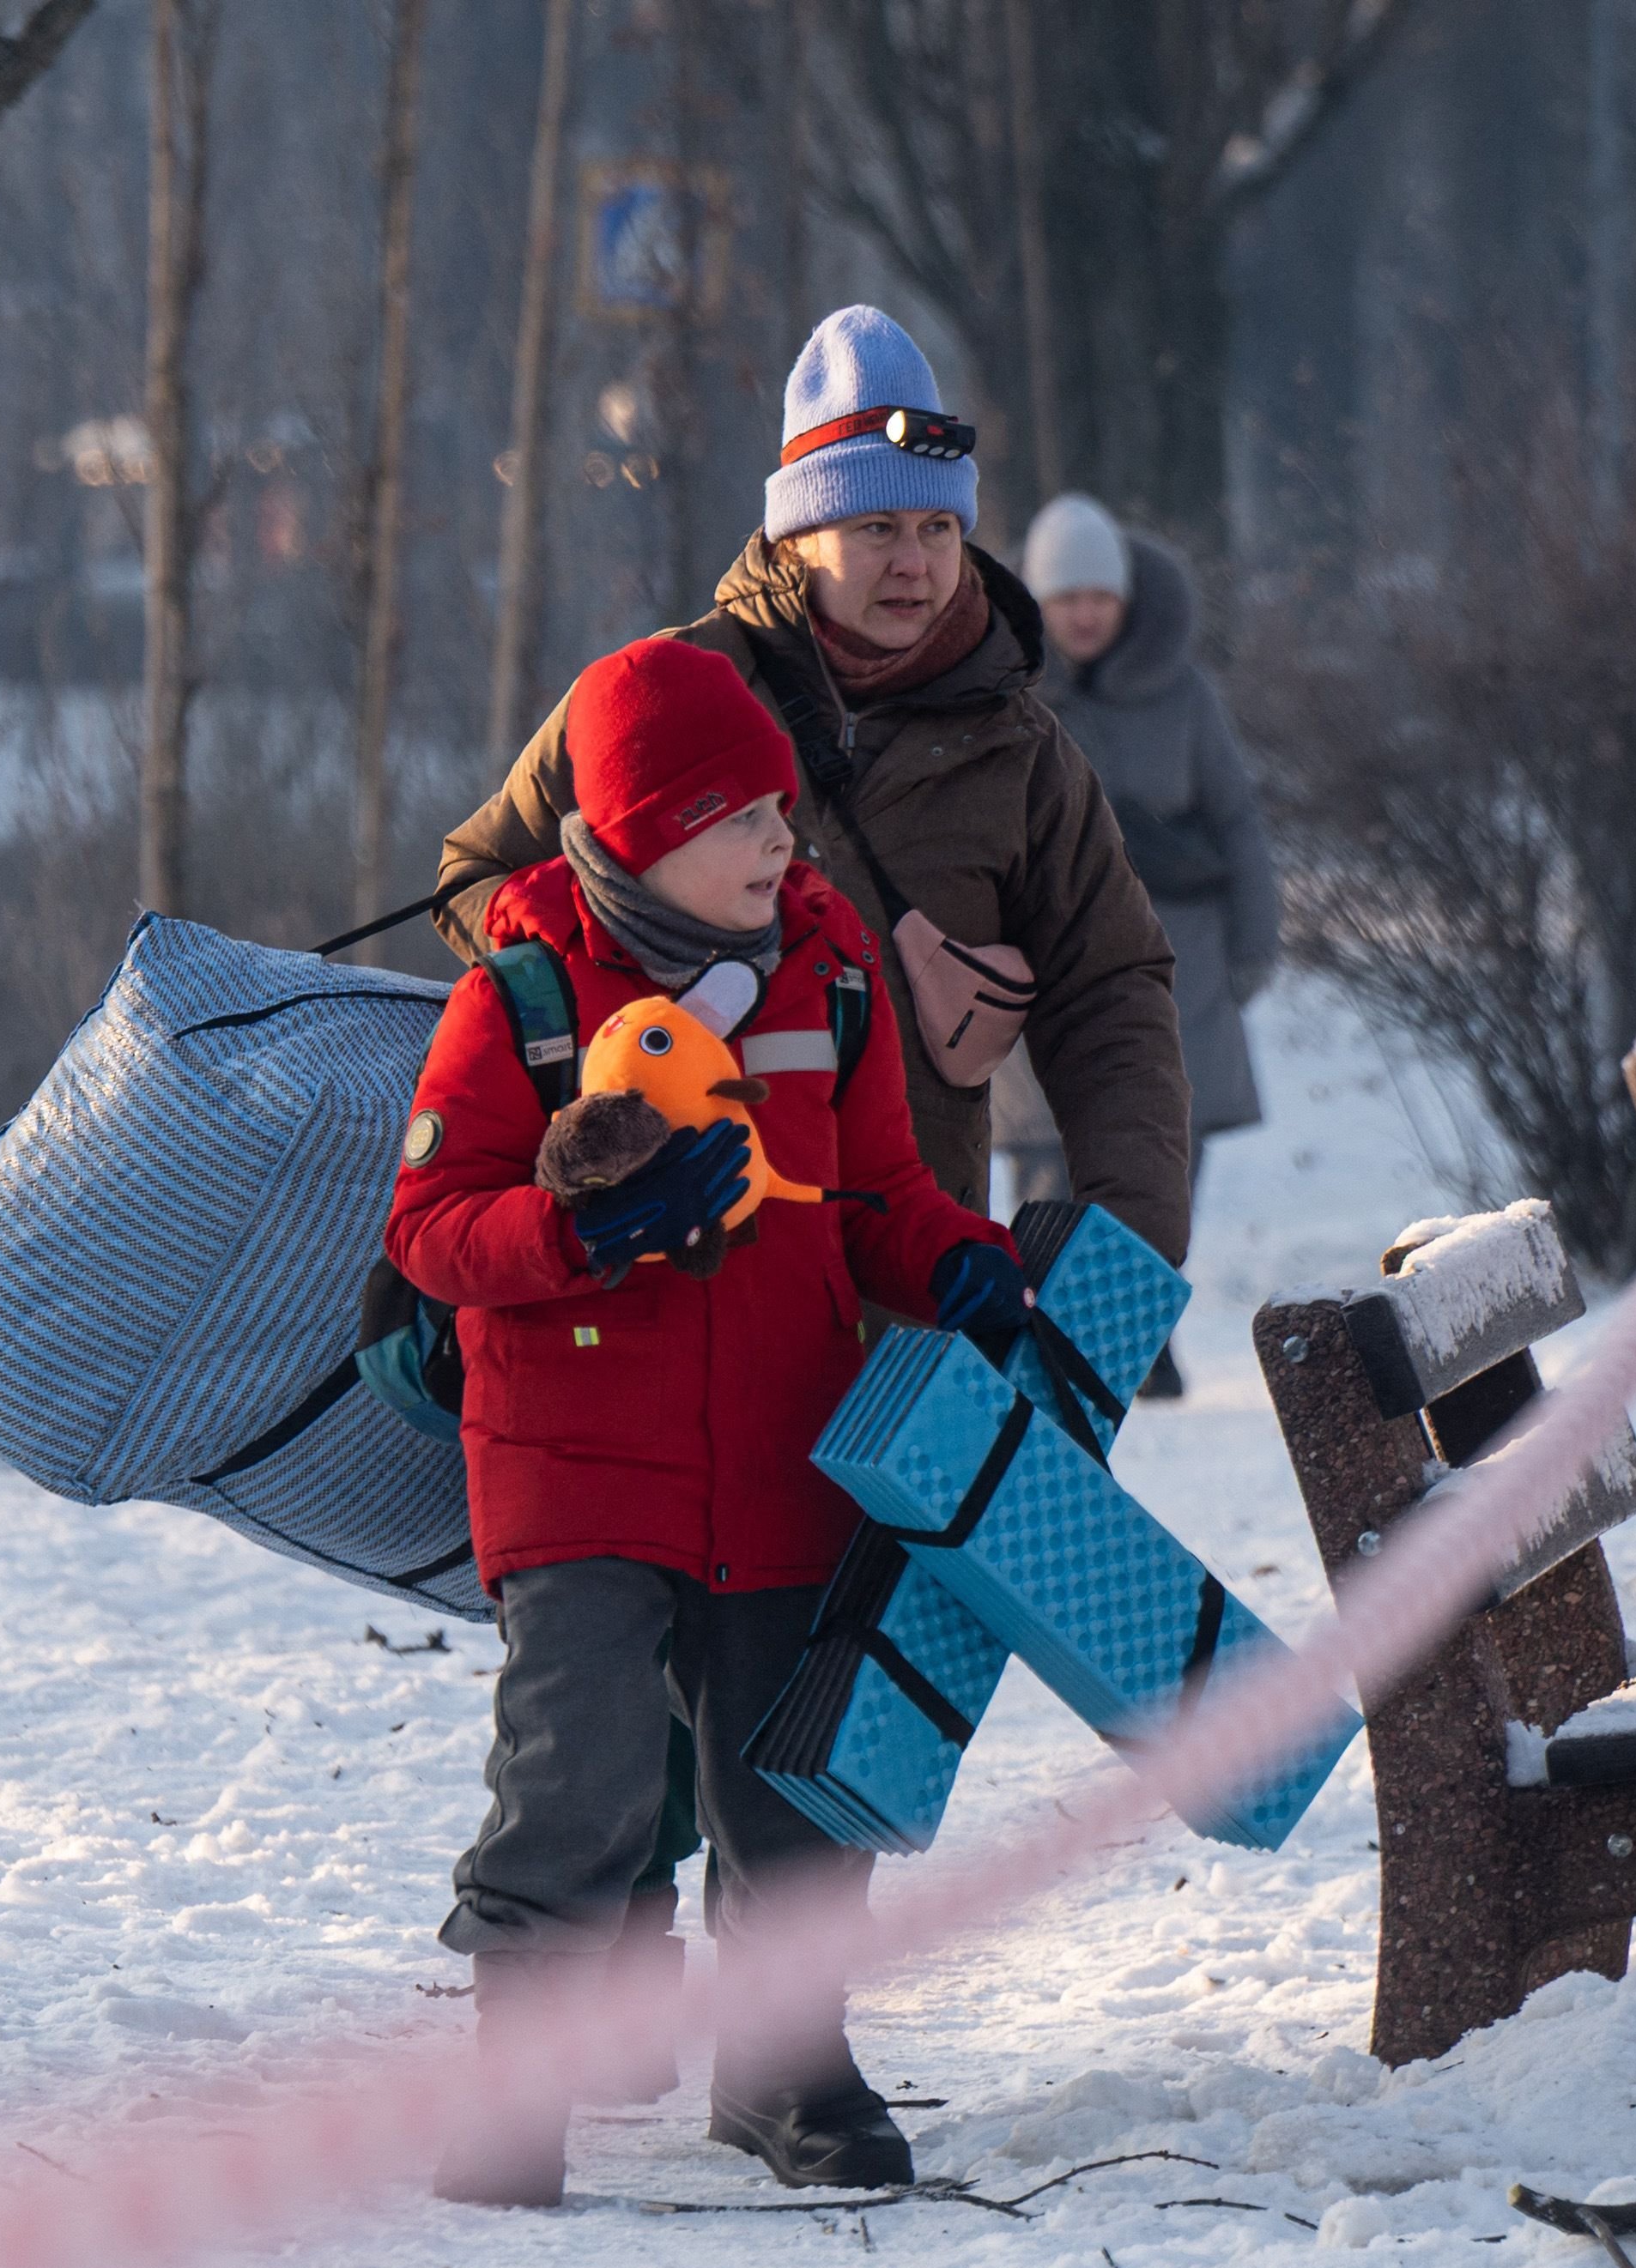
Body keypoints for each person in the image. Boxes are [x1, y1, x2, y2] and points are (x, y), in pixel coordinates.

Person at [388, 634, 1023, 2207]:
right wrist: (578, 1234)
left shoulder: (827, 973)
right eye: (740, 818)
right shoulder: (522, 995)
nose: (778, 844)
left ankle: (784, 2072)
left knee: (785, 1783)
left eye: (779, 814)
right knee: (574, 1776)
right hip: (571, 1468)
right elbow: (429, 1224)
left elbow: (876, 1191)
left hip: (776, 1453)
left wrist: (958, 1262)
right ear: (647, 830)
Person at [434, 305, 1191, 1266]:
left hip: (905, 1291)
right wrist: (614, 957)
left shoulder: (1020, 752)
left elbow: (1111, 990)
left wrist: (1123, 1249)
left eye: (937, 527)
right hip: (675, 1282)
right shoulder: (654, 697)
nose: (914, 563)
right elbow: (477, 876)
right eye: (875, 527)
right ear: (797, 536)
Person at [1015, 492, 1277, 1397]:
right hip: (1048, 962)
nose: (1086, 614)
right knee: (1055, 1153)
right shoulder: (1009, 695)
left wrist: (1253, 944)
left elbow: (1237, 818)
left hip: (1182, 964)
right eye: (1066, 597)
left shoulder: (1186, 692)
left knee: (1164, 1158)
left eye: (1101, 596)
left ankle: (1135, 1335)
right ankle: (1054, 1336)